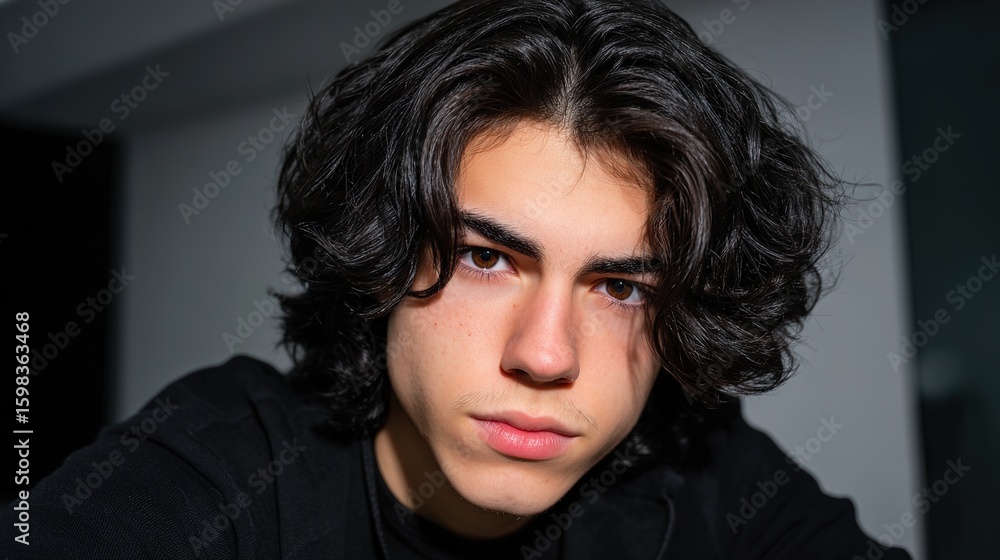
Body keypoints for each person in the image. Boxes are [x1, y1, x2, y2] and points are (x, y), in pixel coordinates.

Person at [4, 0, 913, 558]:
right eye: (486, 258)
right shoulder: (221, 466)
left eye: (621, 287)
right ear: (382, 261)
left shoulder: (711, 476)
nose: (545, 356)